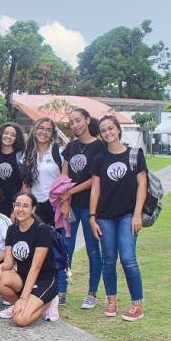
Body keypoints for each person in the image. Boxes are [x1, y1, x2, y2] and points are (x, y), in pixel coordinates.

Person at [89, 115, 147, 322]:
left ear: (118, 129)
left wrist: (138, 214)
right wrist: (92, 217)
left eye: (111, 128)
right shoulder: (99, 159)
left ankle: (136, 305)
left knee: (128, 259)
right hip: (104, 216)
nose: (108, 133)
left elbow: (142, 185)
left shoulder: (135, 154)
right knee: (108, 260)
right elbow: (95, 190)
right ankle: (111, 300)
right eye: (103, 130)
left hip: (128, 215)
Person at [59, 108, 106, 309]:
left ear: (87, 119)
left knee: (93, 250)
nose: (75, 125)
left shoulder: (100, 146)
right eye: (72, 122)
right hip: (71, 207)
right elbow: (65, 175)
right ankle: (61, 292)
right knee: (65, 248)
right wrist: (65, 199)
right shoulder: (71, 146)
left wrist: (71, 191)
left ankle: (92, 293)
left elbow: (95, 180)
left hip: (91, 207)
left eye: (78, 120)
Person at [0, 192, 60, 326]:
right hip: (23, 277)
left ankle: (49, 302)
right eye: (18, 205)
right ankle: (18, 306)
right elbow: (9, 263)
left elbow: (36, 268)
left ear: (33, 209)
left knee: (20, 320)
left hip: (44, 279)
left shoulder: (42, 230)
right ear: (13, 207)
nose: (20, 209)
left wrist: (23, 298)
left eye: (25, 206)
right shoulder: (12, 229)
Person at [22, 117, 66, 309]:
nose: (44, 132)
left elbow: (66, 180)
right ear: (35, 130)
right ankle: (34, 287)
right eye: (41, 128)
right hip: (35, 207)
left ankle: (57, 292)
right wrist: (23, 207)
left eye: (48, 130)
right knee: (34, 249)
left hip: (54, 205)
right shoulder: (27, 154)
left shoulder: (58, 152)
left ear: (52, 133)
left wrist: (65, 203)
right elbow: (26, 183)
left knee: (55, 249)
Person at [0, 122, 26, 216]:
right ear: (1, 134)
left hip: (17, 204)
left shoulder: (21, 155)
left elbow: (26, 183)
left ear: (17, 138)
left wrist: (18, 207)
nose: (8, 136)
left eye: (13, 135)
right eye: (6, 133)